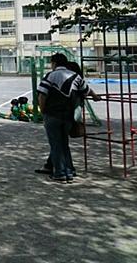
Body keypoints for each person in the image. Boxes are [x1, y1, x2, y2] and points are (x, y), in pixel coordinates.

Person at [37, 53, 100, 183]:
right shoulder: (75, 76)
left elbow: (42, 95)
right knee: (64, 144)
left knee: (56, 145)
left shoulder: (50, 76)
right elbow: (87, 90)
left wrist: (43, 111)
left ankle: (60, 173)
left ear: (54, 63)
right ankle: (69, 171)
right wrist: (95, 96)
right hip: (68, 116)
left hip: (53, 114)